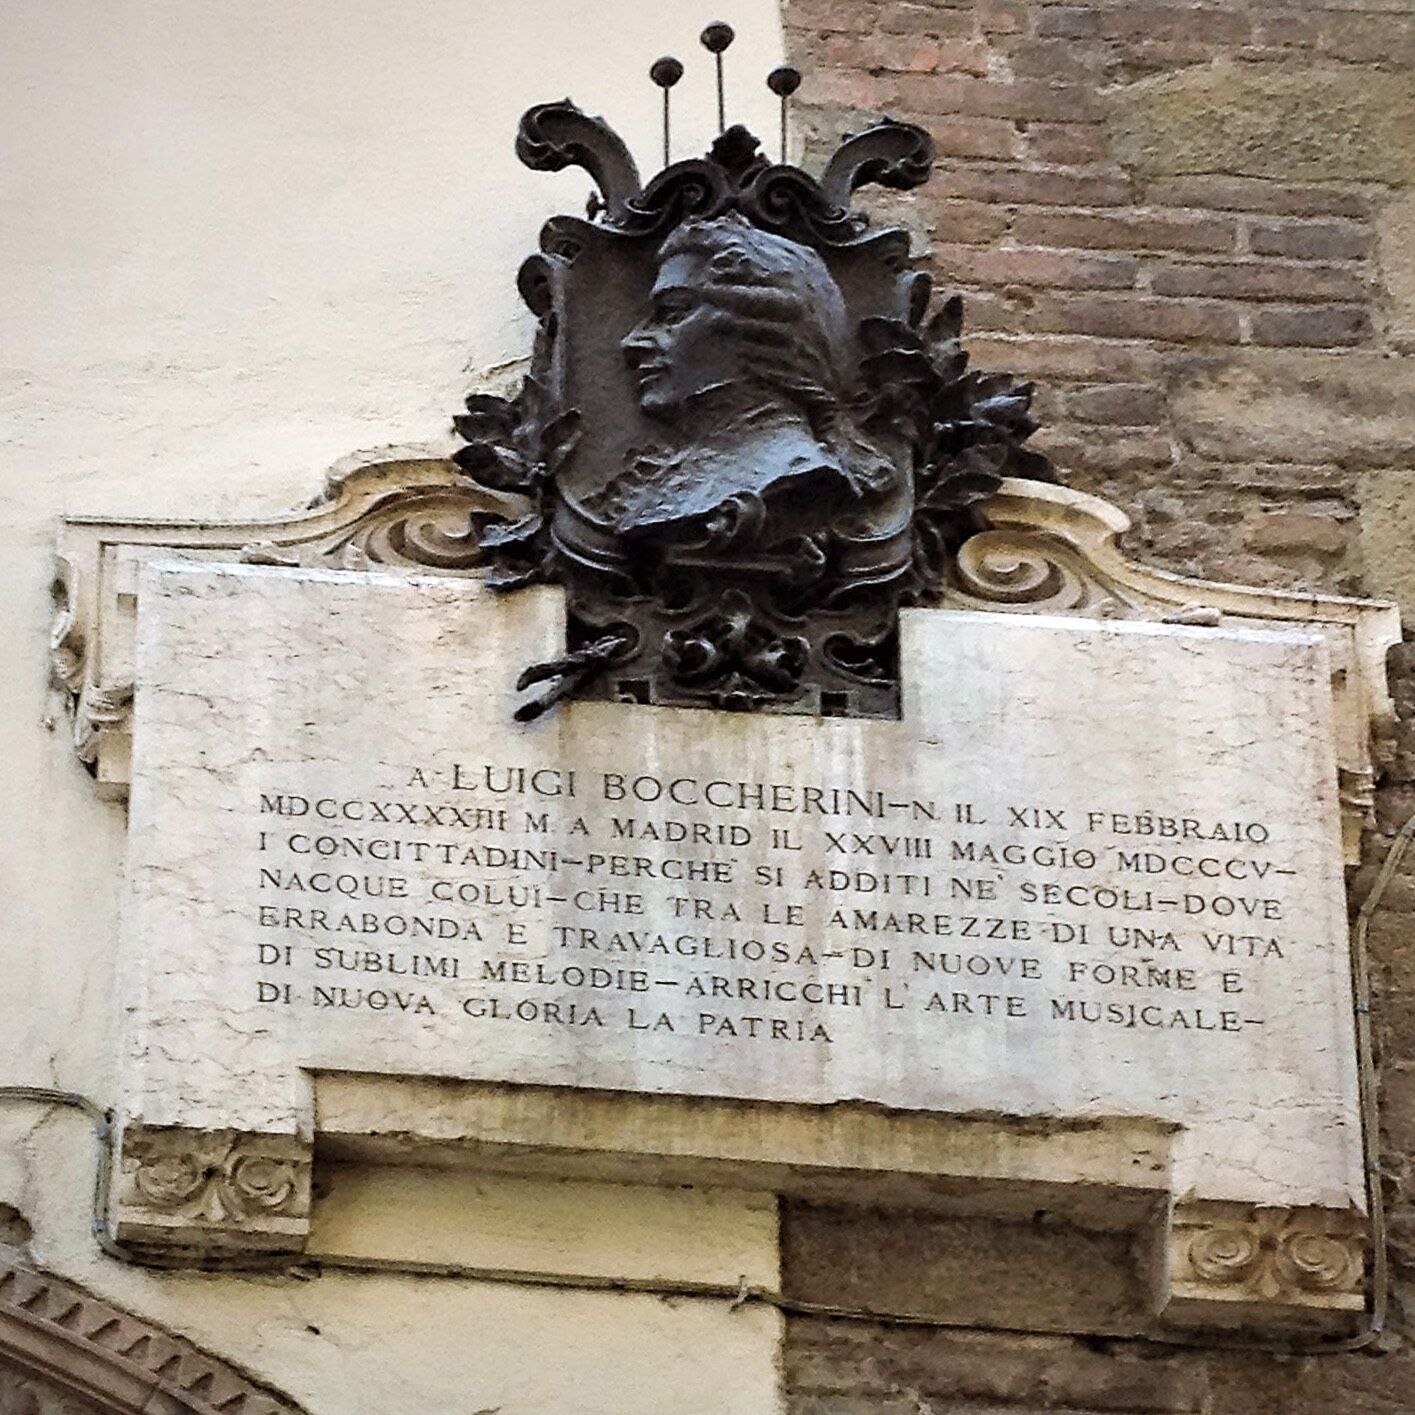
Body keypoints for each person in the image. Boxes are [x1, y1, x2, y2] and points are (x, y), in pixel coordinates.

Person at [589, 213, 901, 549]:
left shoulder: (798, 475)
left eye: (673, 313)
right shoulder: (665, 475)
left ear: (761, 330)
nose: (633, 342)